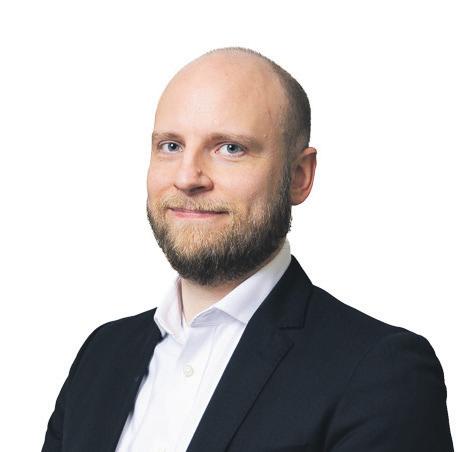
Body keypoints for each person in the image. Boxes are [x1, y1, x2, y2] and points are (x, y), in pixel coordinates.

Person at [41, 47, 454, 452]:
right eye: (171, 146)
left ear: (299, 176)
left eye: (230, 148)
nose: (187, 177)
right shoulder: (101, 355)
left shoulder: (381, 372)